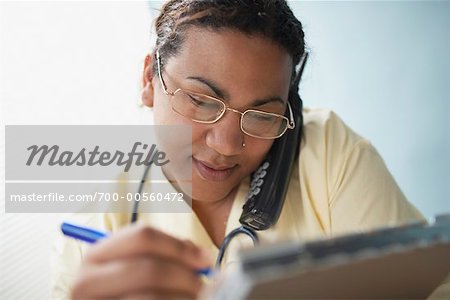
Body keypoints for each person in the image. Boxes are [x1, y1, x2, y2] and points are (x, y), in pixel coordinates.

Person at [50, 0, 448, 299]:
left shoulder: (328, 150)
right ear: (149, 81)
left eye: (262, 116)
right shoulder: (96, 223)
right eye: (202, 100)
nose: (225, 145)